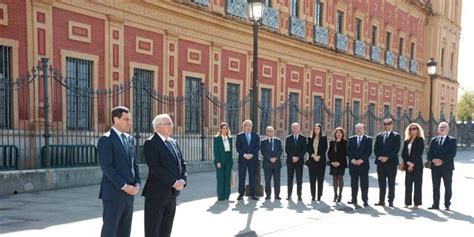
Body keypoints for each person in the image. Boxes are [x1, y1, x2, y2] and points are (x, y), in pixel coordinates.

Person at [98, 106, 141, 237]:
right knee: (110, 230)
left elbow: (134, 164)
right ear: (115, 119)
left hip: (129, 194)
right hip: (113, 193)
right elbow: (107, 167)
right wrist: (124, 186)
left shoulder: (129, 139)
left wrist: (137, 183)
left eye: (130, 119)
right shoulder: (106, 139)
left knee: (125, 230)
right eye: (126, 119)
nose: (130, 122)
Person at [142, 114, 187, 237]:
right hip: (156, 193)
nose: (170, 126)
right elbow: (155, 168)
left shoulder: (173, 142)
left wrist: (183, 179)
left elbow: (182, 163)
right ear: (157, 127)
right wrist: (174, 182)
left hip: (172, 193)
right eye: (167, 123)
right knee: (153, 229)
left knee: (166, 229)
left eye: (171, 123)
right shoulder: (150, 143)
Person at [427, 121, 457, 211]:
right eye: (440, 127)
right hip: (435, 167)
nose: (442, 128)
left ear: (447, 130)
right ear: (438, 129)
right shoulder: (434, 140)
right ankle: (435, 204)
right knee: (435, 186)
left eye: (444, 127)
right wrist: (433, 160)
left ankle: (447, 204)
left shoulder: (452, 140)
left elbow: (452, 153)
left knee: (447, 186)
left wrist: (442, 161)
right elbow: (429, 152)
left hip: (447, 167)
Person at [373, 118, 401, 207]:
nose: (387, 125)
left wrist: (387, 157)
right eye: (385, 124)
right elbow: (375, 148)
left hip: (391, 163)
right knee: (381, 183)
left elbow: (396, 149)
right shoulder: (379, 136)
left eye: (389, 124)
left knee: (391, 183)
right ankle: (381, 200)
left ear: (392, 125)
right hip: (380, 163)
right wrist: (380, 157)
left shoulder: (396, 136)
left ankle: (390, 201)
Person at [347, 123, 372, 207]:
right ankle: (353, 199)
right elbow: (348, 151)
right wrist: (352, 159)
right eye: (357, 128)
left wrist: (361, 160)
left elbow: (368, 151)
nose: (358, 130)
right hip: (353, 165)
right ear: (355, 130)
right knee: (353, 183)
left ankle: (365, 200)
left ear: (363, 129)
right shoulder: (351, 139)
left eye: (360, 128)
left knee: (364, 184)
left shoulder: (368, 139)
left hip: (363, 165)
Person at [401, 123, 425, 209]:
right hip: (408, 165)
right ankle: (407, 203)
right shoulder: (406, 140)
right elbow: (403, 153)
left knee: (417, 184)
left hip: (417, 165)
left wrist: (412, 163)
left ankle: (416, 203)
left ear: (418, 130)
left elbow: (419, 153)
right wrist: (408, 162)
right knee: (408, 184)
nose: (412, 130)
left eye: (414, 128)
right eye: (410, 129)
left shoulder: (420, 139)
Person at [236, 120, 261, 200]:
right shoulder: (239, 136)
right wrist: (245, 155)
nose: (248, 127)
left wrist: (252, 154)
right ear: (243, 127)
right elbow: (238, 148)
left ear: (251, 127)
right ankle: (241, 194)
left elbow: (257, 147)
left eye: (249, 125)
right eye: (246, 125)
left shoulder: (256, 135)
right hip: (242, 159)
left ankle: (252, 194)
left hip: (253, 159)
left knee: (252, 177)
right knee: (242, 177)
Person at [285, 122, 307, 201]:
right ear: (291, 129)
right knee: (289, 179)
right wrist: (292, 157)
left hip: (299, 161)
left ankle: (299, 195)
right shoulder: (288, 138)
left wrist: (298, 157)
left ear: (299, 129)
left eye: (296, 127)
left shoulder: (303, 138)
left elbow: (304, 149)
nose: (295, 129)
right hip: (290, 161)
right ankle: (289, 195)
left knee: (299, 179)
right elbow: (287, 149)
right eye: (293, 128)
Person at [260, 126, 283, 200]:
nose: (270, 132)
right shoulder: (263, 142)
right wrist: (270, 158)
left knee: (277, 180)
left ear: (274, 132)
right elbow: (263, 152)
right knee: (267, 181)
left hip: (277, 164)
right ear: (266, 133)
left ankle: (277, 195)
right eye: (269, 131)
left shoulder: (278, 141)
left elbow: (280, 150)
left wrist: (276, 158)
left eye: (272, 131)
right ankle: (268, 195)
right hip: (267, 163)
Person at [306, 123, 328, 201]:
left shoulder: (324, 138)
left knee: (320, 179)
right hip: (312, 161)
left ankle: (319, 195)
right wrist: (313, 155)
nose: (316, 130)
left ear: (320, 130)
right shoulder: (310, 138)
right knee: (312, 179)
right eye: (315, 129)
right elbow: (308, 148)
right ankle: (313, 195)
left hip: (321, 161)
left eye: (318, 129)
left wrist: (319, 156)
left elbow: (325, 148)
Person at [213, 122, 233, 201]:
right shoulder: (217, 138)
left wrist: (231, 162)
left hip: (228, 160)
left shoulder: (230, 138)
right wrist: (217, 161)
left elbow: (230, 151)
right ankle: (220, 196)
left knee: (227, 179)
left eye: (226, 128)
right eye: (223, 128)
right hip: (220, 160)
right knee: (220, 178)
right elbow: (216, 151)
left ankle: (226, 196)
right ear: (221, 129)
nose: (225, 130)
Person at [327, 127, 347, 203]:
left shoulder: (345, 142)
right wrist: (332, 162)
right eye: (337, 132)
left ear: (342, 134)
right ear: (335, 134)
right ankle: (335, 195)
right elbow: (329, 153)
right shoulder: (332, 142)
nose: (338, 134)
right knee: (334, 179)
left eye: (340, 133)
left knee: (340, 178)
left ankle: (340, 195)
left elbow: (345, 153)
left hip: (341, 163)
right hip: (333, 163)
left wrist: (339, 162)